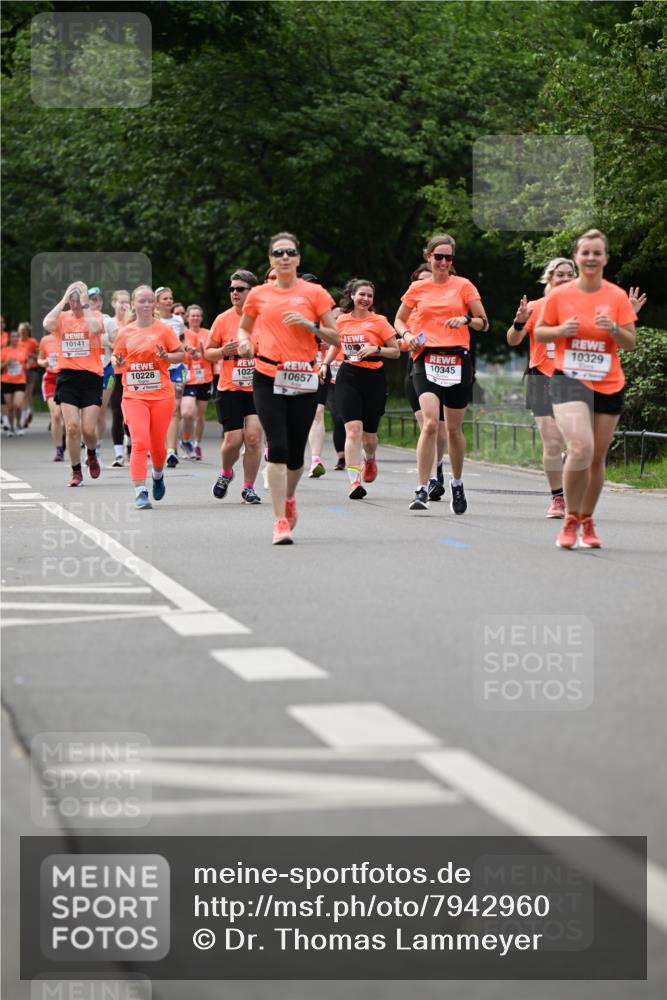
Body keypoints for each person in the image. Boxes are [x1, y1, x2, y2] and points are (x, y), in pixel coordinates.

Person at [535, 229, 639, 549]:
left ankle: (586, 518)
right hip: (569, 379)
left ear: (605, 258)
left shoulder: (616, 296)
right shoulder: (560, 295)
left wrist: (615, 329)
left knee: (596, 458)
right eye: (585, 253)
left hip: (608, 381)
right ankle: (569, 519)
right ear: (577, 257)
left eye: (597, 253)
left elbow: (630, 343)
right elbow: (540, 332)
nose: (591, 258)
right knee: (580, 446)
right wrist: (561, 330)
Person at [238, 231, 339, 544]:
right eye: (278, 252)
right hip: (268, 374)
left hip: (303, 377)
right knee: (277, 446)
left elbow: (336, 338)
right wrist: (243, 343)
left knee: (296, 454)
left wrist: (310, 326)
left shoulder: (315, 293)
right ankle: (280, 520)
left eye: (290, 252)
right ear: (271, 258)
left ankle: (290, 497)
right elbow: (244, 328)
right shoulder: (258, 295)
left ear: (298, 258)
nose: (284, 257)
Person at [394, 233, 489, 513]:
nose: (444, 262)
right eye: (439, 257)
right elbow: (399, 319)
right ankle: (422, 487)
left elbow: (485, 323)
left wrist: (467, 319)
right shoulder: (417, 289)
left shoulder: (464, 286)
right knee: (431, 423)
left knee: (454, 429)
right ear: (428, 257)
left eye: (448, 257)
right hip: (426, 358)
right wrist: (408, 334)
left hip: (457, 359)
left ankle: (457, 483)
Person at [507, 258, 576, 518]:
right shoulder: (534, 307)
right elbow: (513, 340)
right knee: (551, 442)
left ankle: (570, 469)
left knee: (578, 444)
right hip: (541, 377)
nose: (566, 278)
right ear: (550, 278)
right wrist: (519, 322)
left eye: (570, 274)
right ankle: (558, 499)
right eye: (560, 274)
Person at [322, 279, 399, 499]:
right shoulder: (342, 320)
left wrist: (375, 348)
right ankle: (354, 482)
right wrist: (325, 365)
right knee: (353, 429)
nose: (365, 299)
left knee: (369, 437)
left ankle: (370, 458)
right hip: (349, 375)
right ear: (352, 296)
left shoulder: (380, 321)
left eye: (369, 296)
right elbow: (336, 345)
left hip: (374, 377)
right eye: (361, 295)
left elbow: (395, 352)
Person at [110, 285, 185, 509]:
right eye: (141, 301)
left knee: (158, 448)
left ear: (154, 304)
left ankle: (158, 474)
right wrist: (118, 363)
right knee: (140, 442)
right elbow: (115, 358)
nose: (145, 304)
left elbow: (180, 354)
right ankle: (140, 491)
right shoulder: (125, 332)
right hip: (134, 396)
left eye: (149, 301)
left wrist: (167, 356)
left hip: (161, 395)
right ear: (133, 304)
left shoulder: (164, 330)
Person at [205, 271, 263, 504]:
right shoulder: (222, 319)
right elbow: (207, 352)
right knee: (233, 440)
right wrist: (222, 352)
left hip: (259, 387)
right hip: (230, 387)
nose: (235, 293)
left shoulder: (264, 318)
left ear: (252, 292)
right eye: (232, 289)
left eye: (240, 289)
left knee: (253, 437)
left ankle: (248, 487)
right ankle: (226, 472)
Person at [43, 281, 104, 486]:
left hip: (91, 377)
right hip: (67, 377)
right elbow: (46, 324)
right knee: (71, 427)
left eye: (79, 300)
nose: (76, 304)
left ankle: (92, 453)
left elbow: (95, 329)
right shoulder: (62, 318)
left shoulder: (93, 316)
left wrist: (86, 305)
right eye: (73, 300)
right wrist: (63, 300)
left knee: (88, 430)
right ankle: (76, 471)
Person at [401, 264, 447, 500]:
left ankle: (437, 465)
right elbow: (398, 340)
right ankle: (430, 480)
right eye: (421, 281)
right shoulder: (410, 312)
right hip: (417, 369)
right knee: (428, 425)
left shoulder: (447, 306)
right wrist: (410, 340)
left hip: (446, 368)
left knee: (441, 429)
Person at [153, 287, 186, 468]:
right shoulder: (153, 322)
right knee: (158, 411)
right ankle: (158, 446)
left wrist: (187, 348)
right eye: (164, 298)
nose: (168, 301)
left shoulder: (178, 321)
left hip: (176, 368)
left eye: (170, 298)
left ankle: (171, 450)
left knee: (176, 408)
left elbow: (183, 340)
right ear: (157, 302)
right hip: (158, 370)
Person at [104, 290, 132, 467]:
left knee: (131, 412)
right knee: (116, 411)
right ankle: (119, 453)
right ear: (113, 303)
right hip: (114, 371)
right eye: (121, 302)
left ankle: (131, 443)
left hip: (132, 371)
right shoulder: (109, 322)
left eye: (127, 302)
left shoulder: (133, 322)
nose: (124, 305)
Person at [181, 304, 212, 460]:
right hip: (189, 378)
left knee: (200, 415)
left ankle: (197, 443)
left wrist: (204, 351)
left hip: (205, 377)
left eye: (198, 315)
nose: (195, 318)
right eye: (192, 315)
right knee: (188, 413)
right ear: (187, 318)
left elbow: (214, 355)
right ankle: (186, 439)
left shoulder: (208, 333)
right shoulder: (183, 334)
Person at [37, 329, 64, 460]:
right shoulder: (45, 340)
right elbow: (39, 359)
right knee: (56, 415)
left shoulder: (68, 337)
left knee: (67, 419)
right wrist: (44, 363)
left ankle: (65, 438)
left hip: (66, 378)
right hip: (50, 380)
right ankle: (59, 449)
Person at [1, 328, 28, 435]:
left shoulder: (23, 350)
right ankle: (11, 426)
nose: (15, 338)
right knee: (10, 407)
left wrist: (27, 365)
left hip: (20, 380)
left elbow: (26, 363)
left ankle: (19, 424)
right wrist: (7, 362)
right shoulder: (4, 351)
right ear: (9, 339)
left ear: (19, 338)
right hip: (6, 380)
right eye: (13, 336)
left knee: (17, 404)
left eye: (17, 336)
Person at [18, 322, 40, 428]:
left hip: (32, 369)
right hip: (20, 370)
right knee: (24, 394)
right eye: (20, 330)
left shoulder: (33, 342)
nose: (22, 332)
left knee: (27, 393)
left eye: (24, 330)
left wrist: (32, 355)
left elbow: (40, 354)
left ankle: (26, 414)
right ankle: (29, 411)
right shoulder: (17, 342)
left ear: (27, 331)